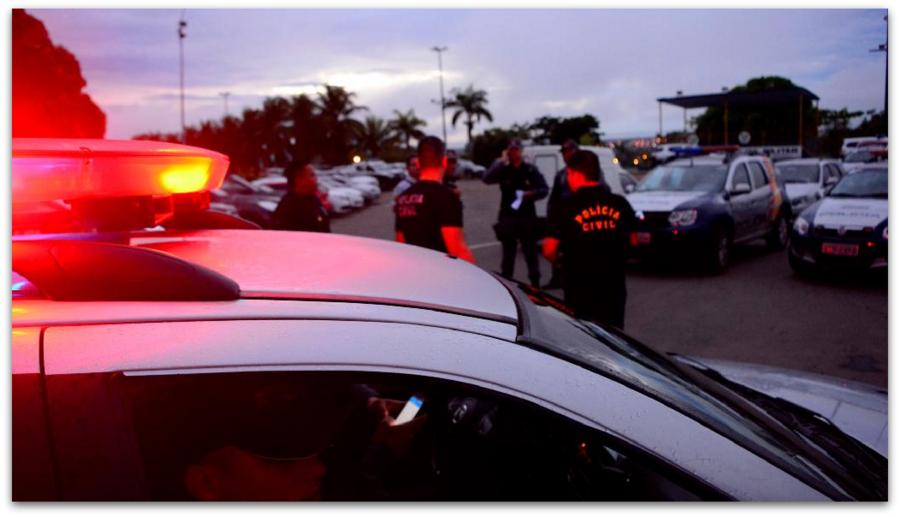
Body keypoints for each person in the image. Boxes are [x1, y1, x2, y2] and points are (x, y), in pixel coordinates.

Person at [541, 150, 636, 329]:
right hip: (613, 285)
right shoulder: (619, 203)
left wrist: (560, 263)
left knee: (584, 337)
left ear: (574, 174)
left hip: (579, 286)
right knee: (613, 336)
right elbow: (633, 240)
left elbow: (549, 249)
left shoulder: (564, 206)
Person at [394, 136, 475, 263]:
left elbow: (401, 242)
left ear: (418, 163)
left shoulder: (403, 198)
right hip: (442, 269)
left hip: (415, 268)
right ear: (444, 161)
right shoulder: (447, 197)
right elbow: (456, 249)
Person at [483, 139, 549, 287]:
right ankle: (508, 287)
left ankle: (535, 285)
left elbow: (544, 189)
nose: (514, 152)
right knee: (508, 257)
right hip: (508, 217)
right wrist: (500, 161)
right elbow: (486, 179)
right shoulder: (503, 169)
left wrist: (531, 194)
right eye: (511, 150)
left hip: (527, 217)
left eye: (516, 149)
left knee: (531, 255)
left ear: (521, 151)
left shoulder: (530, 170)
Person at [543, 139, 580, 289]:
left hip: (580, 221)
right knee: (557, 251)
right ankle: (556, 279)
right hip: (563, 222)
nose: (565, 155)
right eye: (564, 153)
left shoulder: (586, 172)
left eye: (568, 152)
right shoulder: (561, 175)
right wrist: (551, 218)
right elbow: (554, 199)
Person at [272, 162, 330, 232]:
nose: (316, 179)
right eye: (312, 175)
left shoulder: (313, 199)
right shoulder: (289, 207)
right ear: (299, 179)